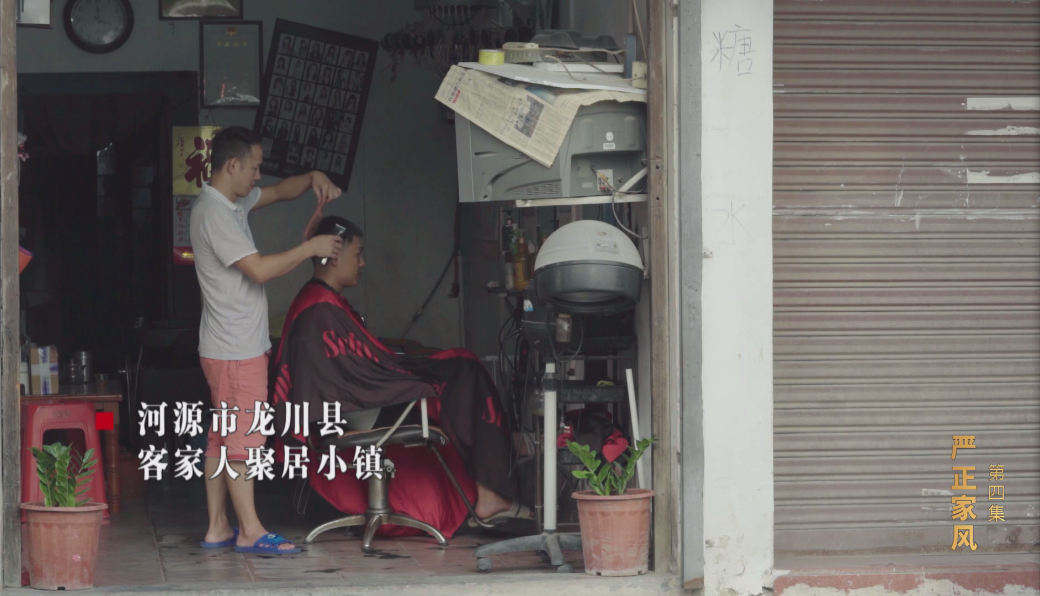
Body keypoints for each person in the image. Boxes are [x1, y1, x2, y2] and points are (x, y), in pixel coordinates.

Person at [270, 216, 535, 537]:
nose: (363, 263)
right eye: (358, 253)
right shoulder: (319, 310)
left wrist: (404, 373)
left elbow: (358, 370)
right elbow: (347, 384)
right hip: (359, 413)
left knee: (459, 366)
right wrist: (411, 382)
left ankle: (503, 462)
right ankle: (496, 484)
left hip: (360, 405)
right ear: (335, 255)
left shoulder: (319, 302)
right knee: (463, 376)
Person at [189, 127, 345, 555]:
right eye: (254, 167)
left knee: (222, 437)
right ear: (232, 165)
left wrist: (313, 177)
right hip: (235, 351)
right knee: (242, 440)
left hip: (227, 347)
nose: (259, 176)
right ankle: (250, 530)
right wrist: (311, 247)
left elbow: (278, 192)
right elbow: (258, 270)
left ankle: (218, 526)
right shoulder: (216, 215)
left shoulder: (230, 202)